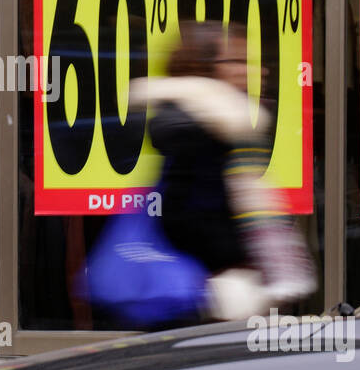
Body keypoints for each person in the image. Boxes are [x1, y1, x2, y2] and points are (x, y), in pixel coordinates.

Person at [129, 21, 303, 319]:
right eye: (238, 61)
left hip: (214, 293)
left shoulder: (225, 127)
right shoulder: (200, 131)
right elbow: (190, 217)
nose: (258, 70)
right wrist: (238, 268)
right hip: (203, 299)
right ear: (206, 67)